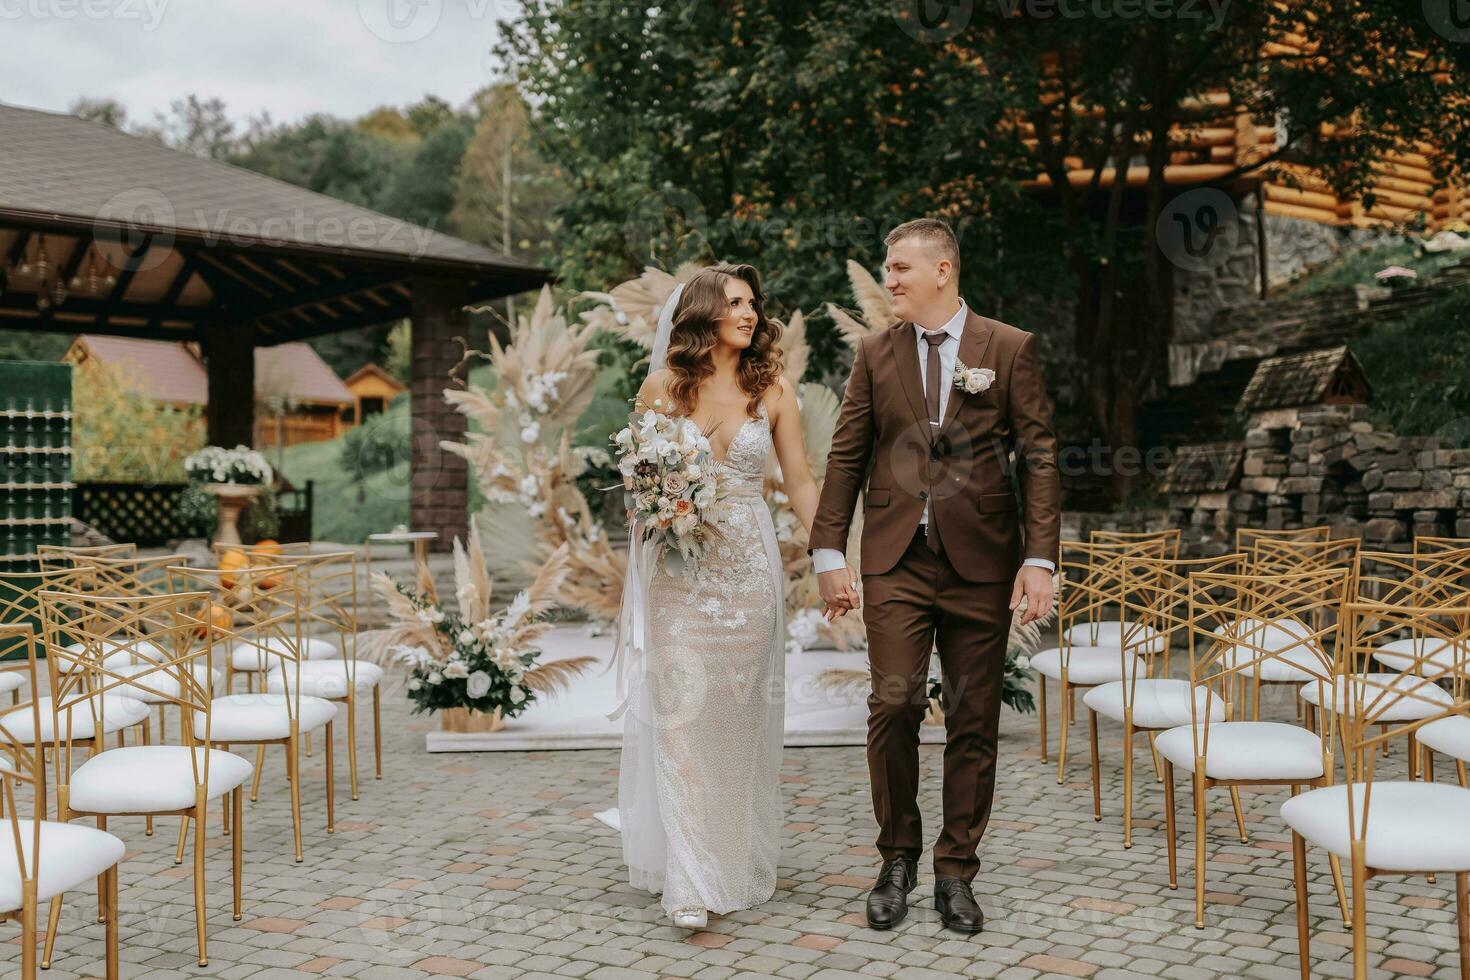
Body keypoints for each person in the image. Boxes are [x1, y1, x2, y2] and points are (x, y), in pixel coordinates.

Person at [809, 218, 1061, 934]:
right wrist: (830, 553)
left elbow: (1039, 459)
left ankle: (956, 871)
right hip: (896, 561)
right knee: (893, 706)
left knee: (973, 717)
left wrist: (1039, 560)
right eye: (886, 270)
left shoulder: (1008, 349)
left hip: (983, 562)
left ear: (942, 269)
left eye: (898, 268)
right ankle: (897, 858)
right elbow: (847, 458)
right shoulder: (874, 354)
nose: (889, 280)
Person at [611, 263, 860, 930]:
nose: (749, 313)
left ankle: (730, 854)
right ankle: (689, 879)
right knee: (682, 716)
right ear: (702, 315)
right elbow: (639, 485)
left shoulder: (772, 389)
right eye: (735, 303)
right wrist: (665, 511)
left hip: (749, 571)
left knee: (738, 721)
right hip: (679, 572)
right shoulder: (662, 387)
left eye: (753, 303)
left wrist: (832, 557)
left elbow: (803, 484)